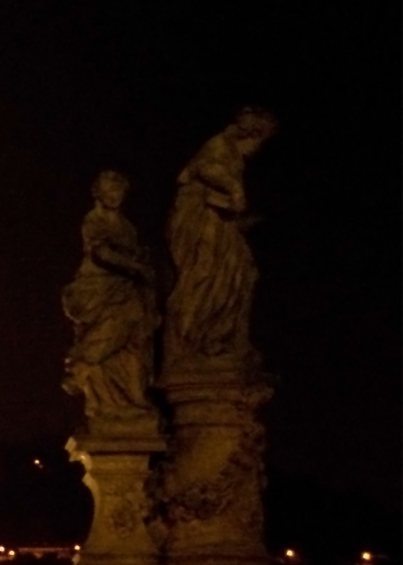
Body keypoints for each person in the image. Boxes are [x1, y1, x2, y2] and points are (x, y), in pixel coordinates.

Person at [163, 108, 278, 370]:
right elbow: (204, 167)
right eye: (259, 142)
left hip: (220, 222)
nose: (257, 150)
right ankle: (194, 340)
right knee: (205, 275)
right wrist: (234, 188)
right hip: (200, 220)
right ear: (251, 134)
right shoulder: (220, 144)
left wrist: (240, 219)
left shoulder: (234, 154)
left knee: (244, 272)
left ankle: (223, 336)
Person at [62, 169, 158, 419]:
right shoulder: (94, 219)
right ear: (97, 193)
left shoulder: (127, 226)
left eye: (119, 191)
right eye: (109, 190)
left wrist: (140, 263)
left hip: (125, 288)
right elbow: (101, 253)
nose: (115, 195)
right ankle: (82, 363)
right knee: (121, 324)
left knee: (135, 340)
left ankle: (130, 398)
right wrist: (136, 267)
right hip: (100, 288)